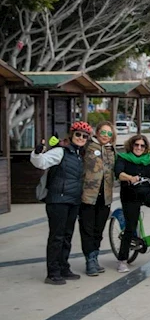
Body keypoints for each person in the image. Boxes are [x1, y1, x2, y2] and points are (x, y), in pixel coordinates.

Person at [30, 121, 93, 285]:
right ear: (72, 135)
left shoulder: (81, 155)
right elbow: (40, 162)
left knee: (67, 236)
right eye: (78, 134)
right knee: (56, 237)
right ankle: (53, 272)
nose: (81, 138)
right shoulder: (60, 152)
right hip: (58, 200)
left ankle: (64, 267)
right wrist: (37, 152)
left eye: (84, 136)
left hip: (73, 200)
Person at [115, 133, 150, 272]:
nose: (139, 148)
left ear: (146, 147)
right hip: (130, 195)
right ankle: (122, 260)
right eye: (136, 145)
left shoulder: (148, 158)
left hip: (147, 192)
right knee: (131, 227)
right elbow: (118, 173)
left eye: (142, 145)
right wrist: (129, 177)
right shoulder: (124, 157)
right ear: (131, 145)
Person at [79, 120, 116, 276]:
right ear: (97, 132)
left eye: (109, 133)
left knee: (98, 230)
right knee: (87, 229)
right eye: (103, 132)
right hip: (88, 196)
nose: (106, 136)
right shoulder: (87, 147)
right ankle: (90, 261)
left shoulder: (112, 150)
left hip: (105, 197)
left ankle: (94, 256)